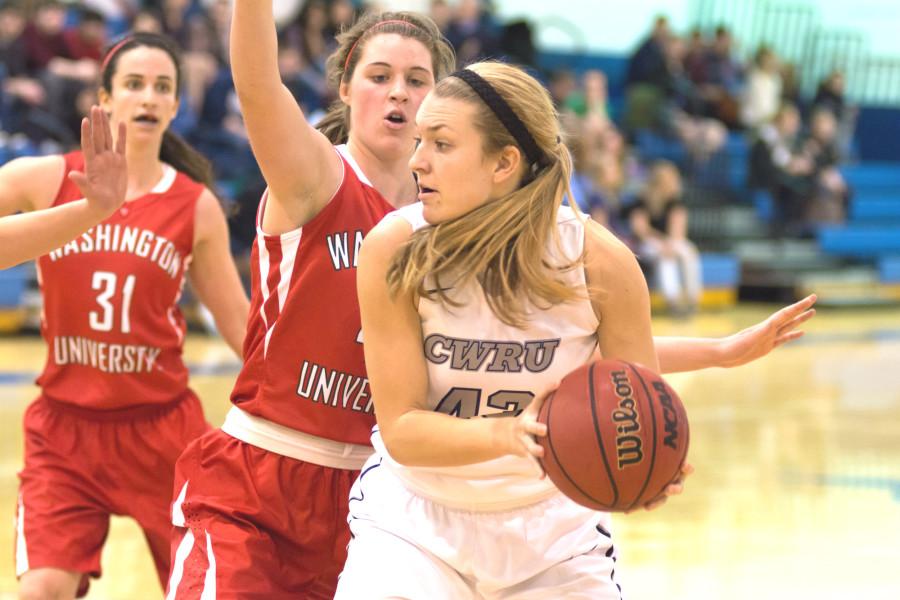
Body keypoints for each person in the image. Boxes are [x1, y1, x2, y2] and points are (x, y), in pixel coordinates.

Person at [166, 6, 816, 598]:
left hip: (388, 475)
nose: (398, 93)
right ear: (344, 88)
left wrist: (706, 368)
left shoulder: (509, 233)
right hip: (295, 468)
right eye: (380, 75)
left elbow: (561, 363)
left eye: (417, 82)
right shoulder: (336, 191)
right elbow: (257, 88)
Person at [333, 60, 771, 597]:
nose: (417, 161)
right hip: (417, 523)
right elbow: (402, 431)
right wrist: (507, 434)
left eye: (441, 144)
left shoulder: (600, 262)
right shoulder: (393, 247)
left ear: (504, 163)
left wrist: (649, 468)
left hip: (553, 531)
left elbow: (634, 398)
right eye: (420, 140)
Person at [7, 32, 248, 600]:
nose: (147, 97)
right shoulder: (45, 178)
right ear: (105, 98)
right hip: (65, 431)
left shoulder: (195, 205)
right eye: (134, 84)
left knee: (202, 590)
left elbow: (242, 330)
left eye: (162, 87)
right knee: (40, 590)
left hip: (163, 433)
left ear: (175, 105)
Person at [625, 160, 702, 315]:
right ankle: (672, 301)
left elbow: (678, 231)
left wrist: (669, 244)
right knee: (664, 257)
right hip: (646, 243)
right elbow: (640, 229)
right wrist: (662, 243)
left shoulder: (675, 202)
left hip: (670, 240)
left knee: (688, 252)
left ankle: (693, 299)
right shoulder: (641, 201)